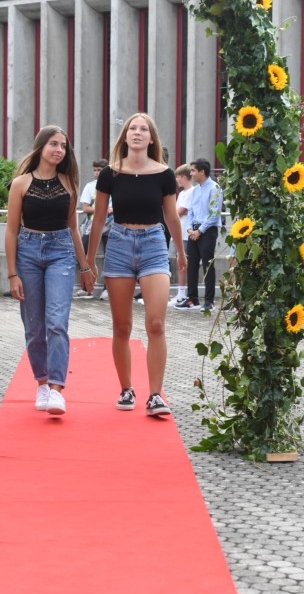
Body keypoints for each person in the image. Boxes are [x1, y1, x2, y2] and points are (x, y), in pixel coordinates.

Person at [86, 112, 186, 416]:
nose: (138, 132)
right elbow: (98, 218)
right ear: (125, 136)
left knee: (156, 323)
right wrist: (89, 261)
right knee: (122, 325)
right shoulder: (110, 174)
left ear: (151, 137)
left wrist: (181, 253)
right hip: (119, 244)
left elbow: (171, 217)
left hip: (154, 244)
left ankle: (155, 395)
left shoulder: (164, 174)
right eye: (133, 128)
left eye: (143, 129)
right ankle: (126, 388)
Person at [5, 125, 95, 416]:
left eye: (63, 146)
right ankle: (42, 383)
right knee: (34, 327)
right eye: (53, 144)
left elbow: (72, 227)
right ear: (41, 146)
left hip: (61, 252)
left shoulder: (68, 182)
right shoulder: (20, 183)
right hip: (27, 253)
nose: (59, 150)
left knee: (57, 321)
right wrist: (12, 274)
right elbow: (11, 230)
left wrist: (85, 266)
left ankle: (57, 389)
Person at [175, 158, 223, 312]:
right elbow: (191, 212)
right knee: (192, 264)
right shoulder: (195, 190)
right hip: (193, 230)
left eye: (193, 171)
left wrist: (200, 230)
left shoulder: (215, 188)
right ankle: (192, 298)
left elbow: (214, 214)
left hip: (207, 230)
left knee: (208, 265)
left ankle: (209, 301)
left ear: (202, 172)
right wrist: (190, 228)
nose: (191, 174)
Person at [76, 158, 113, 300]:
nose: (97, 173)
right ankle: (87, 287)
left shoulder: (114, 185)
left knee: (110, 257)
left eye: (99, 170)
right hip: (93, 225)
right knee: (84, 253)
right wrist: (102, 209)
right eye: (95, 170)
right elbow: (85, 208)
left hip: (111, 225)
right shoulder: (90, 186)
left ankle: (108, 289)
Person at [169, 163, 194, 306]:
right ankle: (180, 292)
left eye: (178, 177)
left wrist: (172, 214)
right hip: (179, 231)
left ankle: (183, 293)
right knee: (179, 262)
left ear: (184, 177)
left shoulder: (191, 192)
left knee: (183, 262)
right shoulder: (183, 193)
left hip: (185, 232)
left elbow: (180, 211)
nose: (177, 180)